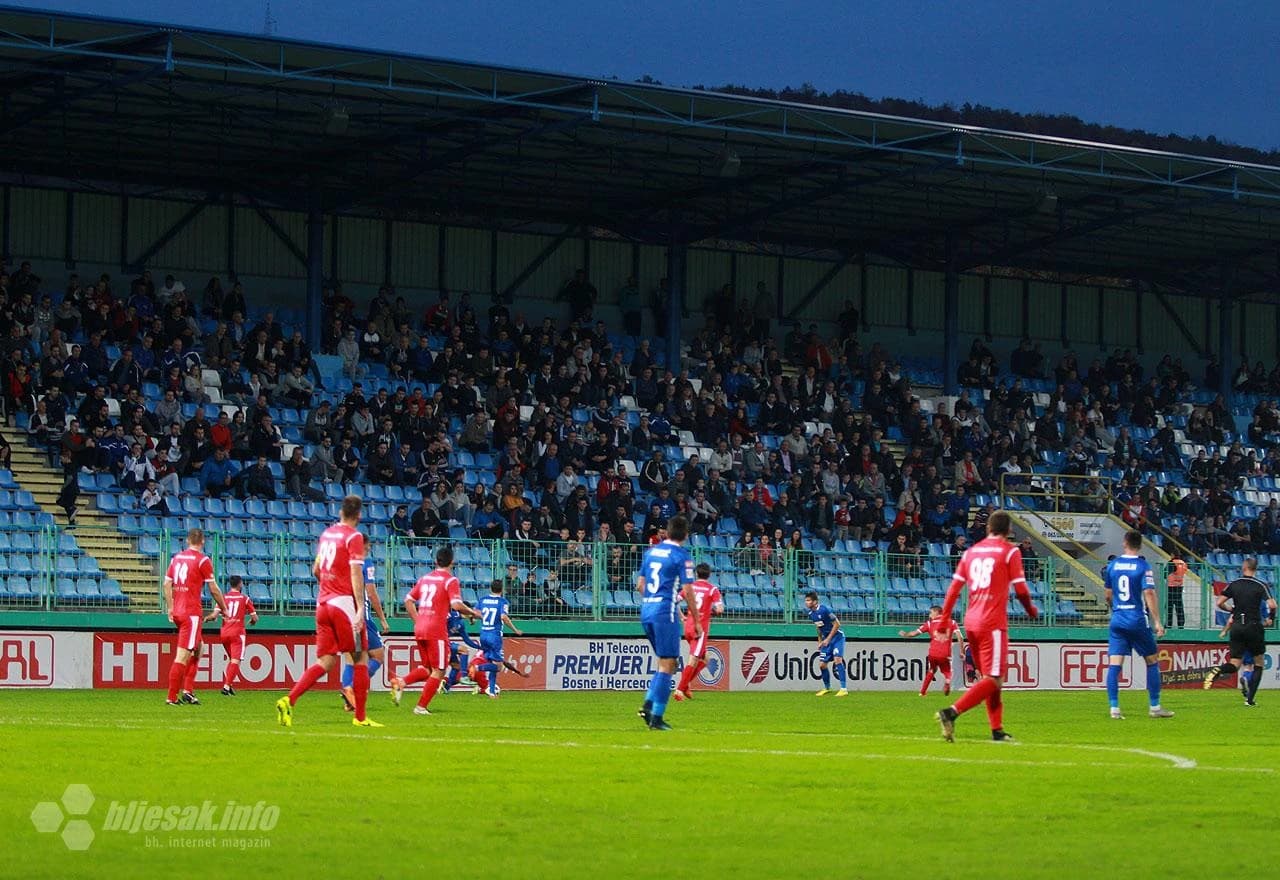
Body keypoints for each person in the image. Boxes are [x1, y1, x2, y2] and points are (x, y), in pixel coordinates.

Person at [275, 496, 383, 729]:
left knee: (326, 661)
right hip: (343, 605)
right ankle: (360, 718)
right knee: (362, 656)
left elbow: (316, 569)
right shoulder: (353, 537)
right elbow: (356, 573)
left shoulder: (327, 535)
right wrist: (359, 606)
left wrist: (328, 588)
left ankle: (289, 699)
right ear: (359, 515)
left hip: (323, 604)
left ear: (341, 512)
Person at [935, 511, 1038, 743]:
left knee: (991, 679)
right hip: (992, 623)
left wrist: (943, 621)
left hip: (971, 621)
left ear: (987, 528)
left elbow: (953, 589)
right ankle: (951, 712)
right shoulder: (1010, 551)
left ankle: (997, 730)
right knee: (994, 677)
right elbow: (1021, 589)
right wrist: (1031, 609)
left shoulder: (970, 552)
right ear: (1008, 530)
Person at [396, 546, 481, 715]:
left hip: (420, 627)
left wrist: (418, 620)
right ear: (452, 562)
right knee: (439, 670)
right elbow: (456, 605)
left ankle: (401, 682)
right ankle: (420, 707)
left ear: (436, 561)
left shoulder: (425, 578)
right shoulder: (451, 580)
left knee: (428, 668)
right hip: (436, 629)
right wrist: (473, 613)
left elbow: (408, 600)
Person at [636, 515, 700, 731]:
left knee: (664, 663)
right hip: (665, 612)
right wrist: (696, 620)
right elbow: (689, 590)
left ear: (668, 532)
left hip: (647, 610)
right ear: (686, 535)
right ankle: (656, 717)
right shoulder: (682, 555)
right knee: (669, 663)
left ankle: (648, 705)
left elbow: (640, 585)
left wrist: (655, 602)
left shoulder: (651, 552)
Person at [1102, 530, 1173, 720]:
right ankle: (1155, 707)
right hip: (1136, 619)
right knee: (1151, 661)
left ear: (1124, 542)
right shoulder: (1143, 566)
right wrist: (1157, 621)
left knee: (1115, 664)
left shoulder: (1113, 565)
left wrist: (1114, 608)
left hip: (1117, 619)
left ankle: (1114, 709)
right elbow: (1149, 593)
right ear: (1140, 545)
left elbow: (1107, 595)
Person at [162, 529, 228, 706]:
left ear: (187, 540)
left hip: (178, 611)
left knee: (199, 648)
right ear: (203, 541)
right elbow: (214, 589)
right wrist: (224, 608)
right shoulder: (203, 560)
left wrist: (170, 607)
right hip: (191, 614)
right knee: (182, 656)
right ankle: (171, 697)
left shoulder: (176, 558)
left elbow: (166, 584)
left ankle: (188, 692)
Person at [1203, 558, 1277, 706]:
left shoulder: (1234, 583)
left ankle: (1218, 669)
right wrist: (1270, 619)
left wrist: (1232, 610)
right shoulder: (1260, 585)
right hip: (1254, 626)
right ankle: (1250, 700)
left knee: (1235, 663)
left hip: (1237, 626)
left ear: (1244, 567)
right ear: (1255, 569)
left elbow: (1219, 603)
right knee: (1259, 663)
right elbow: (1272, 605)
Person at [339, 556, 393, 713]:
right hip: (362, 616)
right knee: (378, 656)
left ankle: (349, 700)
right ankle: (352, 688)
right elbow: (371, 592)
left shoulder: (341, 561)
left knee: (350, 659)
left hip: (342, 613)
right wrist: (382, 619)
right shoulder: (364, 562)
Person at [673, 562, 724, 701]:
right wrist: (711, 610)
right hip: (699, 629)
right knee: (694, 659)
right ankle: (679, 690)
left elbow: (674, 601)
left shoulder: (689, 587)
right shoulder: (713, 590)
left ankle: (686, 685)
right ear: (709, 575)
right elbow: (720, 609)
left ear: (696, 574)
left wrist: (682, 616)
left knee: (706, 658)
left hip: (688, 627)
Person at [202, 575, 257, 696]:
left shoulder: (223, 598)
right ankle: (226, 687)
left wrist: (206, 618)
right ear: (240, 584)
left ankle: (230, 685)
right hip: (237, 633)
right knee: (236, 661)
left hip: (224, 633)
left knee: (232, 660)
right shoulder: (245, 599)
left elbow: (214, 615)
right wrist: (252, 621)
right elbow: (254, 617)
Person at [474, 580, 525, 698]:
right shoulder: (503, 601)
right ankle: (476, 668)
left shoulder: (483, 600)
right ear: (502, 590)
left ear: (490, 589)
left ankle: (491, 691)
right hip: (494, 636)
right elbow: (504, 617)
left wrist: (478, 619)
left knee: (492, 663)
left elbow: (475, 612)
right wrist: (515, 630)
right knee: (499, 666)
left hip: (483, 634)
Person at [899, 605, 963, 697]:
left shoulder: (929, 623)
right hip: (945, 653)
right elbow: (960, 637)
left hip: (933, 653)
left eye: (931, 612)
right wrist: (961, 651)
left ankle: (922, 692)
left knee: (932, 669)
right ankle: (947, 681)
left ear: (937, 612)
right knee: (947, 671)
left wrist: (905, 634)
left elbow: (913, 634)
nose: (929, 615)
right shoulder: (952, 622)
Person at [804, 592, 848, 697]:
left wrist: (828, 639)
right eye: (806, 600)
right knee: (822, 665)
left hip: (837, 638)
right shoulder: (811, 614)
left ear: (815, 602)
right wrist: (819, 641)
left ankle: (843, 689)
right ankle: (827, 688)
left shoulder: (824, 610)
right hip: (826, 640)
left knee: (838, 660)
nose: (806, 602)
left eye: (809, 600)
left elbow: (837, 624)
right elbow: (818, 627)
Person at [1165, 557, 1187, 628]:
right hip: (1180, 586)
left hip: (1171, 587)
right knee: (1179, 607)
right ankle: (1181, 625)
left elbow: (1165, 573)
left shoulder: (1172, 562)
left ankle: (1169, 624)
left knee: (1169, 607)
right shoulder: (1183, 563)